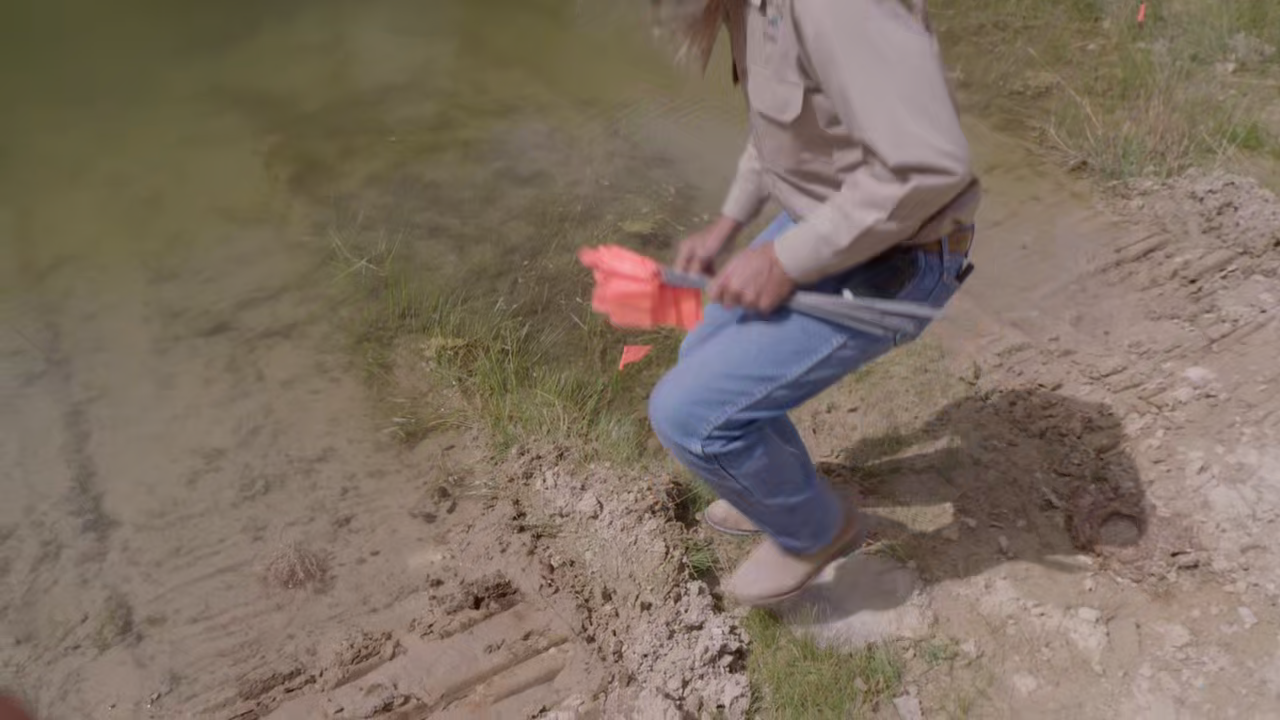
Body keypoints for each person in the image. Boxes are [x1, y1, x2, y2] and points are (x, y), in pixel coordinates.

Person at [647, 0, 981, 606]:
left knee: (687, 415)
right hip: (831, 221)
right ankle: (777, 493)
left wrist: (783, 261)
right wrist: (727, 225)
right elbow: (784, 137)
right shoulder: (752, 7)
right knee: (700, 351)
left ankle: (815, 532)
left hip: (904, 255)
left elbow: (932, 167)